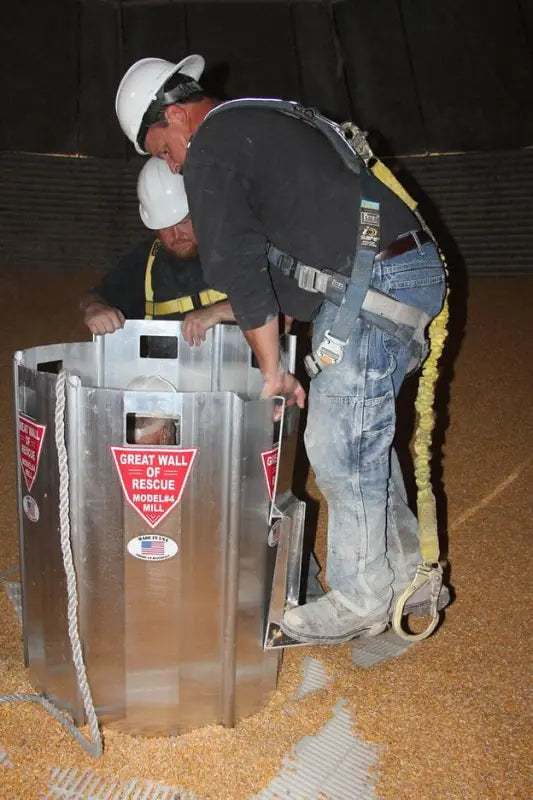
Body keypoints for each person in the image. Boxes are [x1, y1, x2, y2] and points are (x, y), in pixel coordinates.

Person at [115, 55, 450, 645]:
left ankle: (361, 596)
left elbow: (242, 272)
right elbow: (293, 283)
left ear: (174, 116)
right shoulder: (261, 121)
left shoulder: (212, 150)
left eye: (161, 147)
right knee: (362, 435)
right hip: (395, 270)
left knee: (337, 443)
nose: (169, 162)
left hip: (376, 281)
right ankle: (405, 577)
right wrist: (227, 316)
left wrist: (271, 370)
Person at [80, 155, 234, 346]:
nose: (177, 235)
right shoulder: (146, 262)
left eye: (184, 222)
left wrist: (218, 312)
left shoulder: (241, 248)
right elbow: (96, 295)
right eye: (165, 227)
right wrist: (94, 308)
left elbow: (281, 311)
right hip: (162, 375)